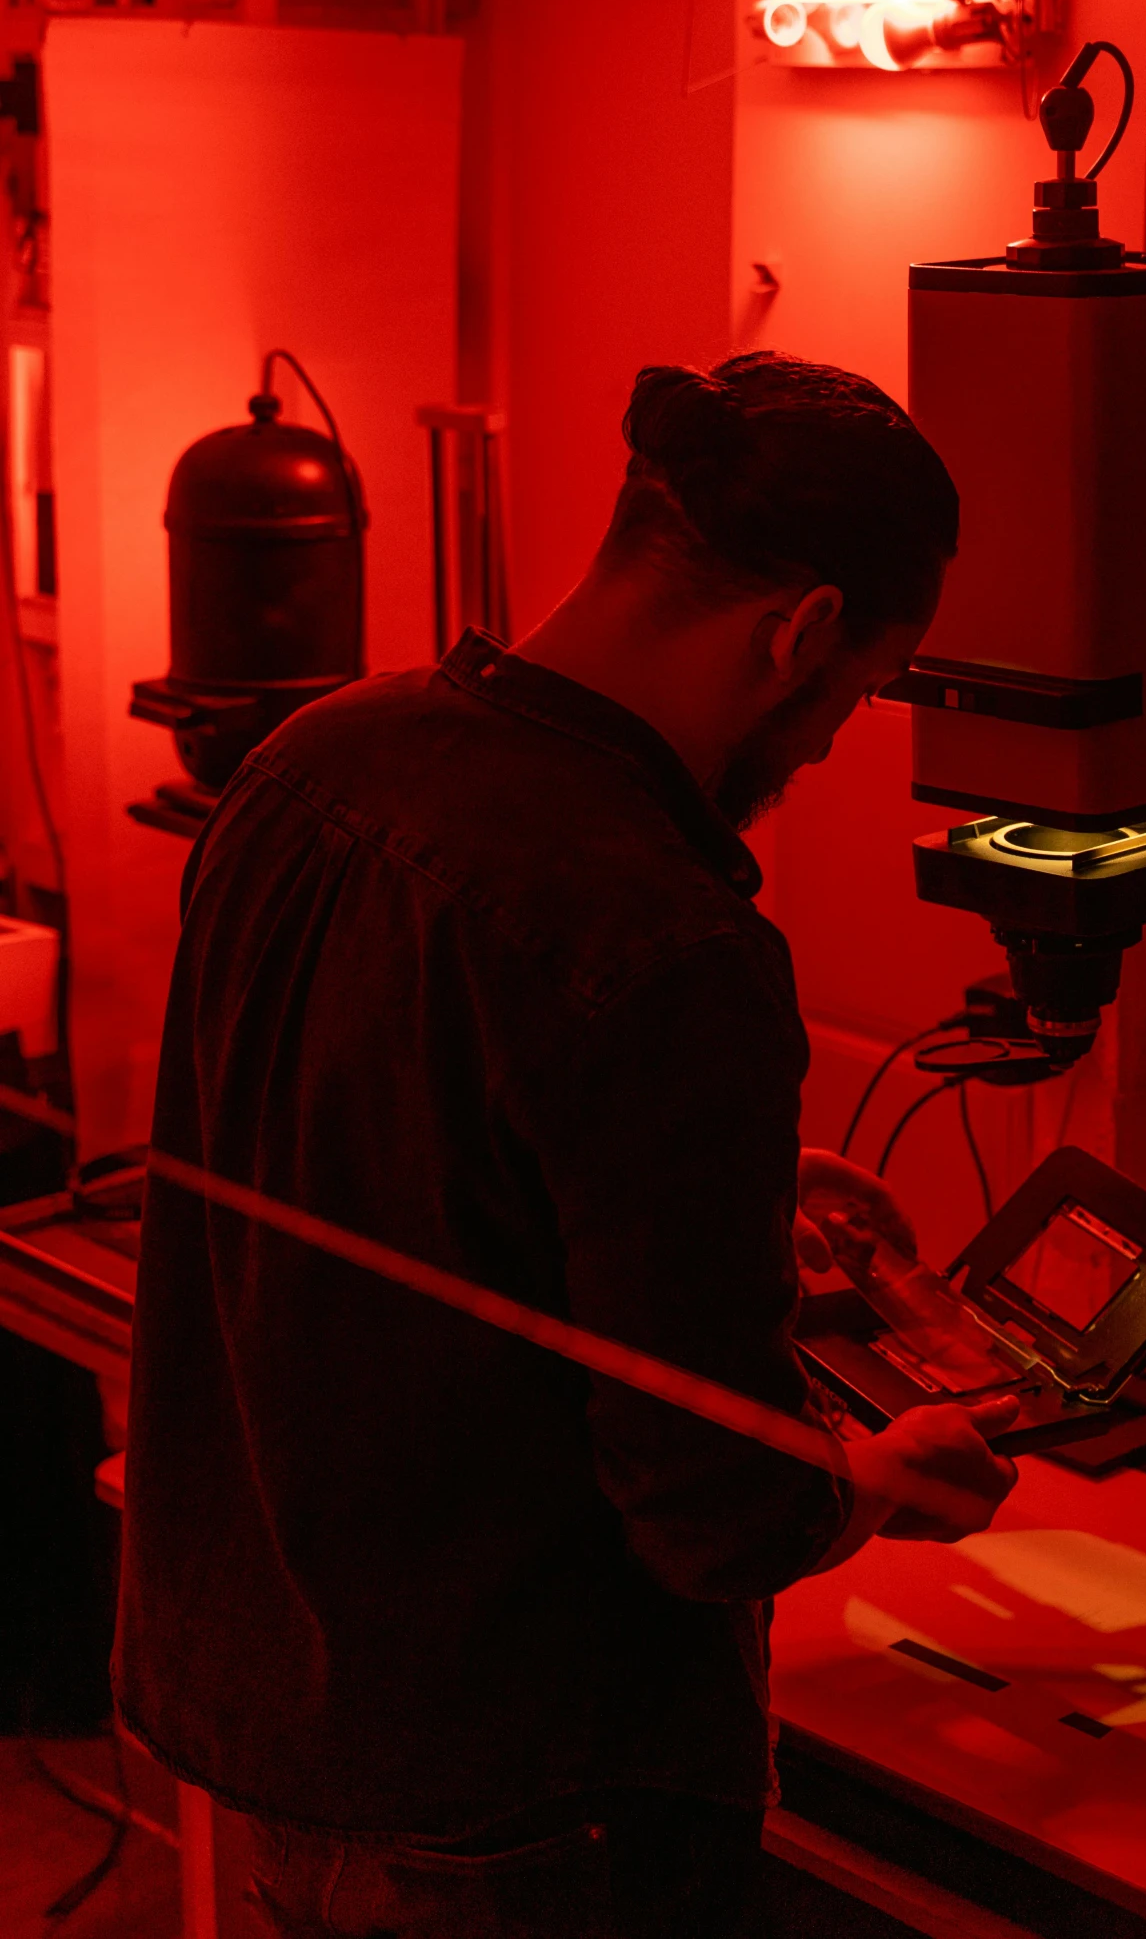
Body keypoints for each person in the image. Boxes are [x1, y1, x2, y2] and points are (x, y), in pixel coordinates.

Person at [115, 350, 1021, 1939]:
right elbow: (712, 1505)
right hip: (513, 1798)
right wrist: (871, 1473)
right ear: (797, 631)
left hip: (274, 1706)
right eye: (858, 693)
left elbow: (370, 1140)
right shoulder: (665, 939)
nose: (822, 744)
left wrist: (735, 1187)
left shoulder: (312, 757)